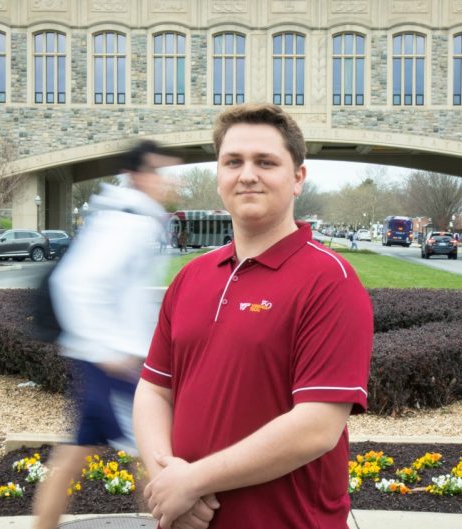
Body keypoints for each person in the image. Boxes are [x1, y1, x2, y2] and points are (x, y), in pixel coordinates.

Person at [134, 103, 374, 529]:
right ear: (219, 175)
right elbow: (154, 390)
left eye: (266, 162)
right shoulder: (191, 278)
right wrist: (167, 480)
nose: (247, 174)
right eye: (233, 162)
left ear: (297, 178)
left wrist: (193, 481)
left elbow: (316, 426)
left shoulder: (330, 281)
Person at [32, 140, 181, 529]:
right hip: (115, 363)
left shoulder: (127, 215)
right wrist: (107, 353)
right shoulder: (126, 220)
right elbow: (73, 283)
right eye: (158, 172)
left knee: (74, 455)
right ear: (137, 175)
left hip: (106, 358)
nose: (166, 182)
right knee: (155, 458)